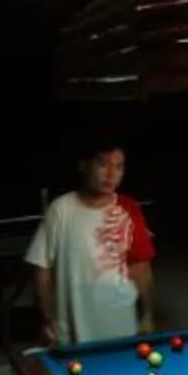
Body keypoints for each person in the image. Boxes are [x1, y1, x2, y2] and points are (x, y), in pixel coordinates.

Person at [24, 143, 153, 347]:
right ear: (84, 166)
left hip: (121, 326)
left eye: (119, 167)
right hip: (71, 331)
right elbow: (41, 267)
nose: (111, 174)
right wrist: (47, 318)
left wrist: (146, 314)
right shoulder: (60, 209)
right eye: (103, 164)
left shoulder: (128, 208)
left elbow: (140, 266)